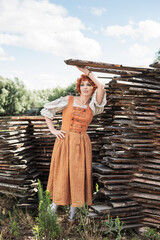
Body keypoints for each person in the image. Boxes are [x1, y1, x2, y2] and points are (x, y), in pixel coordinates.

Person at [40, 66, 107, 225]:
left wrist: (86, 71)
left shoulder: (93, 106)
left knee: (77, 176)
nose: (85, 88)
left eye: (89, 85)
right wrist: (53, 130)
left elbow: (102, 86)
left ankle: (72, 217)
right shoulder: (68, 100)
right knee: (62, 173)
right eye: (83, 84)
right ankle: (52, 211)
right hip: (64, 142)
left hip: (81, 144)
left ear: (93, 88)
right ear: (79, 87)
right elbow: (46, 110)